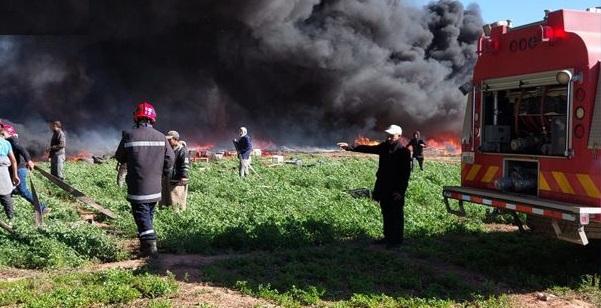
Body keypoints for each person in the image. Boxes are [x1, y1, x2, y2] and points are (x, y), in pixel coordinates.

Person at [115, 101, 175, 257]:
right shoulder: (161, 137)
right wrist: (163, 173)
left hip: (137, 186)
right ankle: (145, 245)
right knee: (148, 214)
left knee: (142, 216)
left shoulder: (129, 135)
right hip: (155, 188)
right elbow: (170, 157)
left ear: (136, 118)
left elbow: (119, 156)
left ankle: (150, 248)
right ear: (152, 119)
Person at [338, 124, 411, 249]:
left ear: (399, 136)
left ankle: (396, 241)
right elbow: (368, 148)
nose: (388, 138)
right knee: (386, 212)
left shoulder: (403, 152)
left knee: (396, 214)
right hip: (383, 186)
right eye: (388, 136)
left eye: (391, 136)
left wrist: (400, 191)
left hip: (395, 189)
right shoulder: (384, 147)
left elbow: (405, 174)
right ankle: (387, 237)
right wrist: (350, 147)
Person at [1, 124, 49, 215]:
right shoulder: (6, 141)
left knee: (23, 191)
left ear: (7, 133)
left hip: (19, 169)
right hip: (14, 170)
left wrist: (29, 160)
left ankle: (42, 208)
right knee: (10, 191)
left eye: (3, 133)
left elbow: (22, 149)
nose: (1, 135)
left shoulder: (11, 140)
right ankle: (9, 212)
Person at [161, 130, 189, 211]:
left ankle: (177, 218)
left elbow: (185, 165)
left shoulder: (182, 150)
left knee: (177, 201)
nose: (168, 141)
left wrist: (183, 176)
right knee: (166, 200)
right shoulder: (169, 150)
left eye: (170, 139)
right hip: (168, 179)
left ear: (175, 139)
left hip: (177, 181)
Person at [0, 125, 20, 227]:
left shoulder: (6, 142)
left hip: (2, 172)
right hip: (4, 173)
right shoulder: (6, 143)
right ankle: (12, 221)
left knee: (5, 196)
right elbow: (13, 160)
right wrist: (15, 175)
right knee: (6, 196)